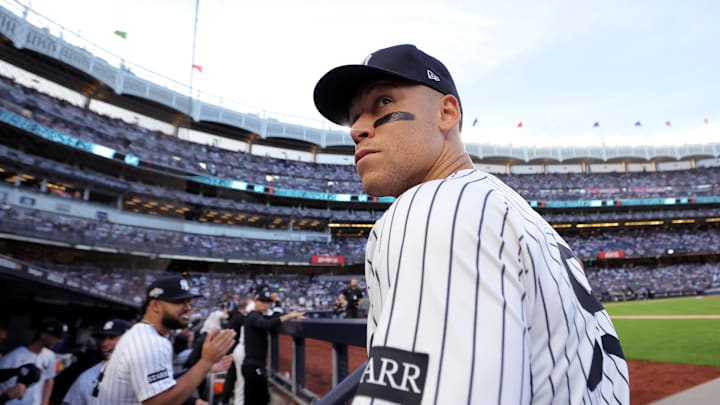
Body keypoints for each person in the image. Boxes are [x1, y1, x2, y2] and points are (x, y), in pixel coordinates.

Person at [313, 44, 630, 404]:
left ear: (447, 113)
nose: (357, 129)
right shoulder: (513, 211)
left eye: (383, 103)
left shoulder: (437, 207)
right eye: (353, 117)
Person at [96, 274, 236, 405]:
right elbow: (159, 402)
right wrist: (206, 362)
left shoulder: (143, 333)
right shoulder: (150, 341)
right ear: (155, 306)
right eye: (179, 302)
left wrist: (204, 367)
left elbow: (159, 383)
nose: (188, 308)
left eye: (189, 302)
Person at [241, 286, 304, 405]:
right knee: (255, 400)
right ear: (255, 301)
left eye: (267, 303)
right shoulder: (252, 317)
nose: (265, 305)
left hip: (255, 365)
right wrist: (289, 316)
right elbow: (267, 324)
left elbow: (275, 317)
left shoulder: (259, 316)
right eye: (262, 302)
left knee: (261, 399)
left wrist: (278, 301)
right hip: (252, 366)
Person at [61, 319, 131, 405]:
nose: (104, 344)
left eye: (112, 337)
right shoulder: (87, 377)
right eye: (103, 339)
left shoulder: (146, 371)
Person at [0, 320, 67, 405]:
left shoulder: (50, 356)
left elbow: (49, 380)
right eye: (56, 337)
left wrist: (44, 402)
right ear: (43, 335)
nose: (59, 341)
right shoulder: (13, 356)